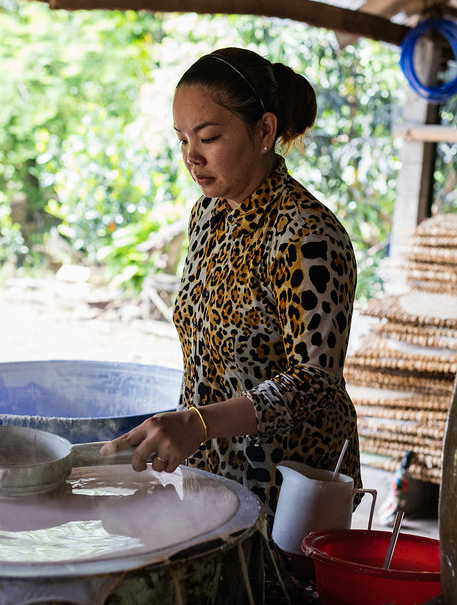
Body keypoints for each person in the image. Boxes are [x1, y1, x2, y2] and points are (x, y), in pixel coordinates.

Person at [101, 47, 360, 522]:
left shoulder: (307, 235)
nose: (191, 157)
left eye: (208, 137)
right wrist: (188, 430)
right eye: (181, 140)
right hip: (211, 470)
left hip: (289, 486)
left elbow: (316, 383)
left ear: (264, 131)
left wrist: (199, 423)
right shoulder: (207, 215)